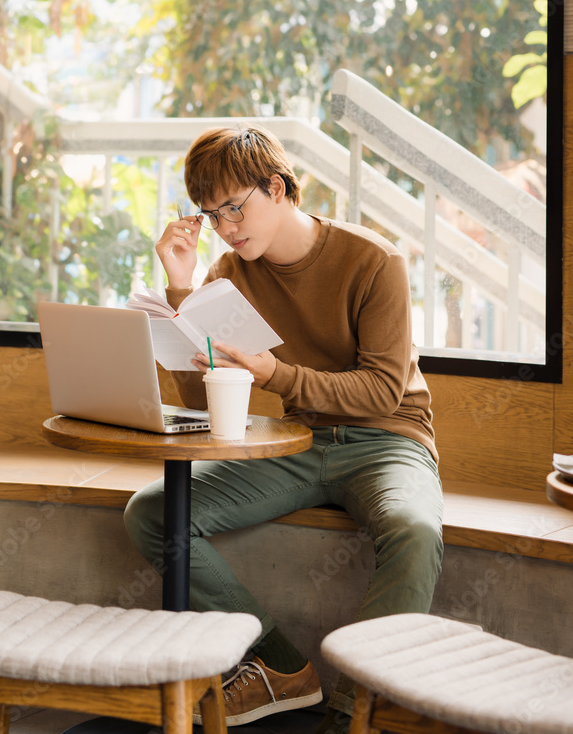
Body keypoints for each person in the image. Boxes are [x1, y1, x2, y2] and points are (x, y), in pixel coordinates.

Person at [124, 124, 443, 731]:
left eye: (234, 207)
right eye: (211, 214)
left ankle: (354, 715)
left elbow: (381, 390)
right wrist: (182, 289)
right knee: (153, 511)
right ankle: (280, 663)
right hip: (296, 441)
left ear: (278, 186)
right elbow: (206, 404)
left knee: (414, 529)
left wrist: (276, 374)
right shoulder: (227, 273)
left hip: (389, 439)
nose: (226, 226)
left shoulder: (374, 260)